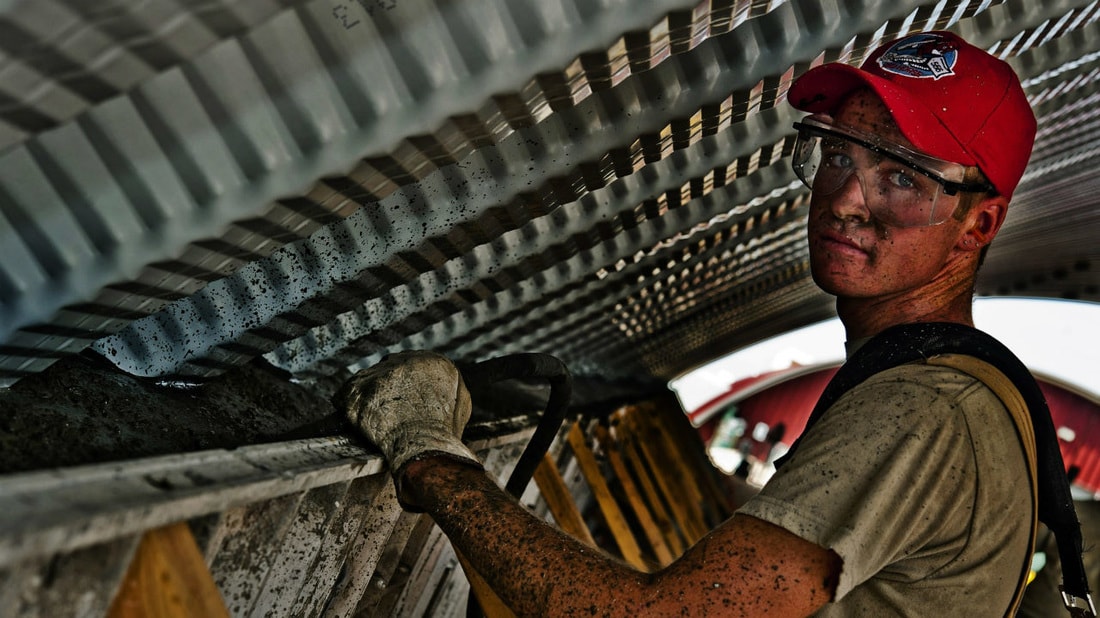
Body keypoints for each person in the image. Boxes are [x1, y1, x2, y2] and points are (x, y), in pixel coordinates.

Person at [339, 30, 1039, 616]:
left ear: (979, 223)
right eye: (836, 155)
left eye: (904, 177)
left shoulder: (923, 411)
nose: (845, 199)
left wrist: (428, 454)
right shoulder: (969, 393)